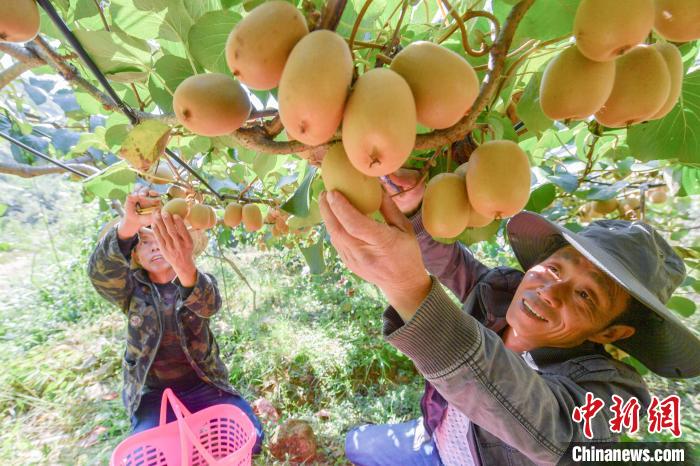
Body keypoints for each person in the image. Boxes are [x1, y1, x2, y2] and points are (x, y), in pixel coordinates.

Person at [318, 169, 700, 466]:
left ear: (612, 330)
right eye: (554, 269)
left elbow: (556, 430)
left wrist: (408, 288)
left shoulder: (610, 390)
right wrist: (414, 209)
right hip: (432, 438)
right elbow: (448, 259)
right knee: (356, 443)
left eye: (585, 295)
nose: (549, 292)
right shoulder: (496, 291)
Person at [87, 186, 263, 451]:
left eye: (162, 238)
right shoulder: (130, 290)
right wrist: (128, 225)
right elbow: (101, 273)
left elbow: (210, 304)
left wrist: (184, 266)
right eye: (144, 241)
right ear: (133, 254)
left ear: (181, 243)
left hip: (204, 385)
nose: (155, 246)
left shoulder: (195, 280)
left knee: (250, 438)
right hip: (154, 396)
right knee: (150, 451)